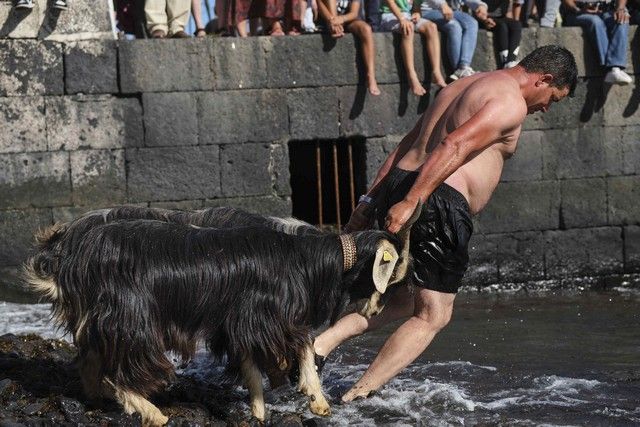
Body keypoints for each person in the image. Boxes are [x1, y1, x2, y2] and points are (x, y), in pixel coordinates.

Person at [312, 45, 577, 402]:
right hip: (435, 201)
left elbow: (406, 145)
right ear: (543, 79)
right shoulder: (509, 102)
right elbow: (454, 145)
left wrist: (371, 199)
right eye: (552, 98)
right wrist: (413, 201)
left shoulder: (464, 84)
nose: (545, 108)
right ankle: (358, 397)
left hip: (402, 183)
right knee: (434, 315)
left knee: (402, 298)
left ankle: (317, 347)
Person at [380, 0, 448, 94]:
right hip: (389, 15)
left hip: (407, 15)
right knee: (408, 28)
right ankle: (411, 75)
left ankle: (436, 72)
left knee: (432, 27)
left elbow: (416, 7)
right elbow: (390, 3)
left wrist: (417, 13)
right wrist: (402, 19)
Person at [317, 0, 383, 95]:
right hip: (329, 20)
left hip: (347, 20)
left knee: (366, 29)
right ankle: (335, 28)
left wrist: (342, 19)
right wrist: (331, 20)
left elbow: (354, 13)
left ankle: (371, 76)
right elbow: (320, 4)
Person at [561, 0, 632, 84]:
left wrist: (620, 8)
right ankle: (610, 69)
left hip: (607, 10)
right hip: (577, 12)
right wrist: (578, 9)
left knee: (622, 20)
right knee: (596, 22)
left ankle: (615, 67)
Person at [419, 0, 480, 81]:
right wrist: (442, 4)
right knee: (454, 26)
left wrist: (480, 5)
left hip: (451, 10)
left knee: (472, 22)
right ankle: (459, 70)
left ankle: (464, 66)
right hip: (428, 10)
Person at [474, 0, 523, 68]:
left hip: (501, 17)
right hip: (484, 18)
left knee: (517, 25)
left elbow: (511, 8)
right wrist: (485, 20)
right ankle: (504, 62)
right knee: (502, 26)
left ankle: (511, 61)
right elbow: (477, 9)